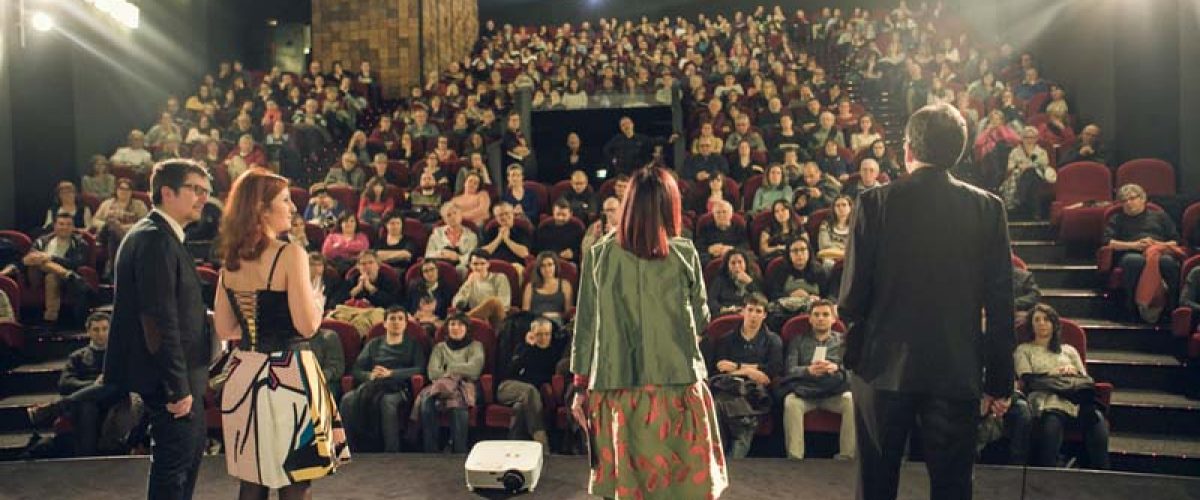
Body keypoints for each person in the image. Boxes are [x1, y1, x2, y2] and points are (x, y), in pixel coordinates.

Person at [838, 103, 1014, 500]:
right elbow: (1002, 304)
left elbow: (850, 300)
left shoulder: (873, 203)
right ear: (960, 151)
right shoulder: (988, 208)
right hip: (956, 368)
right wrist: (1000, 381)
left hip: (882, 368)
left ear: (908, 150)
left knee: (876, 487)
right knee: (952, 488)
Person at [570, 165, 727, 499]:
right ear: (669, 206)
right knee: (681, 488)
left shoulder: (598, 255)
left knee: (629, 489)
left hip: (617, 389)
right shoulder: (684, 254)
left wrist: (580, 387)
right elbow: (700, 320)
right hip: (677, 384)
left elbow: (585, 325)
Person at [211, 168, 348, 498]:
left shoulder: (230, 260)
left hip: (244, 374)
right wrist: (316, 299)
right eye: (285, 200)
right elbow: (307, 326)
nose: (292, 208)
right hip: (288, 375)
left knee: (252, 480)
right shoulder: (290, 254)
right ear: (261, 208)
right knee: (295, 480)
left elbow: (226, 328)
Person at [103, 160, 213, 500]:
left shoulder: (157, 235)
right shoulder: (155, 240)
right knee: (174, 472)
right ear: (167, 192)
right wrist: (178, 387)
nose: (203, 199)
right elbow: (158, 321)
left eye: (206, 192)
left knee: (180, 466)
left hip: (174, 376)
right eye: (195, 189)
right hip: (172, 382)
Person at [26, 312, 135, 456]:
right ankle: (86, 457)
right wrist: (93, 385)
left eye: (104, 329)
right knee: (87, 404)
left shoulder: (120, 355)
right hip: (87, 401)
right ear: (88, 331)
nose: (101, 333)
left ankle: (54, 408)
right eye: (96, 329)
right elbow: (65, 383)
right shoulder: (78, 356)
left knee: (112, 385)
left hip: (114, 398)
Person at [1015, 304, 1110, 469]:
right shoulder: (1024, 350)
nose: (1042, 323)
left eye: (1046, 319)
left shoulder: (1069, 350)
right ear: (1031, 325)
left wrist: (1072, 370)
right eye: (1037, 320)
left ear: (1054, 324)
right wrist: (1054, 372)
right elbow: (1027, 379)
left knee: (1098, 421)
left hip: (1074, 399)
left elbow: (1085, 379)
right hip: (1046, 400)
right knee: (1052, 424)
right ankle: (1046, 477)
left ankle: (1102, 476)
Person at [341, 307, 426, 453]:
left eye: (400, 319)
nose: (396, 322)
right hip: (373, 384)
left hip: (399, 387)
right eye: (392, 319)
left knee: (387, 402)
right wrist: (370, 376)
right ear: (385, 324)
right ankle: (352, 448)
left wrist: (391, 373)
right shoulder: (374, 344)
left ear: (406, 324)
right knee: (347, 399)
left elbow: (419, 369)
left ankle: (391, 451)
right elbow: (356, 369)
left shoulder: (413, 344)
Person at [707, 294, 783, 458]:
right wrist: (751, 371)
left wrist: (737, 367)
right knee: (722, 405)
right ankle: (726, 459)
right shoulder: (726, 339)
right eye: (750, 310)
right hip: (729, 388)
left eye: (758, 311)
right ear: (743, 312)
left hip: (756, 393)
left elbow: (771, 372)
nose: (754, 315)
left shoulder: (773, 340)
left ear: (764, 315)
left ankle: (731, 462)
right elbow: (720, 368)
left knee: (738, 412)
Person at [779, 299, 855, 460]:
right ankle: (795, 456)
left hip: (833, 392)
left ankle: (847, 456)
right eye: (817, 315)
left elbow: (852, 372)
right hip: (806, 392)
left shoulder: (843, 342)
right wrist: (808, 370)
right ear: (810, 319)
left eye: (825, 314)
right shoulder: (798, 340)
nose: (821, 318)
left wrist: (836, 368)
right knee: (791, 402)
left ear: (834, 319)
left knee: (851, 401)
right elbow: (790, 370)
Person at [1103, 184, 1182, 323]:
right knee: (1134, 261)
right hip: (1130, 253)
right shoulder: (1117, 219)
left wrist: (1157, 245)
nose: (1128, 203)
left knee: (1167, 263)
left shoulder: (1160, 216)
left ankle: (1171, 307)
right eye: (1124, 200)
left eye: (1132, 198)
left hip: (1158, 252)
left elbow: (1176, 241)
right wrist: (1135, 245)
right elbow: (1108, 242)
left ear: (1143, 199)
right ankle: (1132, 307)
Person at [416, 313, 484, 453]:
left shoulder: (476, 346)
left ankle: (459, 451)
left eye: (460, 324)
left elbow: (474, 370)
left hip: (466, 385)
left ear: (467, 328)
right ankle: (431, 451)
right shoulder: (439, 347)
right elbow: (433, 373)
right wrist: (456, 371)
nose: (456, 328)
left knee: (457, 402)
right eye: (452, 324)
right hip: (440, 385)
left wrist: (449, 368)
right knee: (427, 401)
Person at [496, 316, 562, 452]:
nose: (543, 338)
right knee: (529, 391)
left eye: (547, 334)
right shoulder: (523, 348)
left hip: (529, 397)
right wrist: (527, 347)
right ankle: (542, 444)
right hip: (508, 387)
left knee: (521, 407)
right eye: (539, 334)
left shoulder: (554, 353)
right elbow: (509, 372)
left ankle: (512, 448)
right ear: (532, 334)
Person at [24, 213, 90, 324]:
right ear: (55, 226)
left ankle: (50, 319)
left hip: (61, 281)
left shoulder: (80, 243)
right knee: (36, 260)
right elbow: (29, 259)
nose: (64, 227)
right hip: (36, 276)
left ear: (73, 227)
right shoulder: (42, 241)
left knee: (51, 277)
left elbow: (76, 263)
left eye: (68, 224)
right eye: (61, 224)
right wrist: (42, 259)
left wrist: (51, 258)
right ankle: (67, 274)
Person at [999, 126, 1055, 220]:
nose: (1029, 140)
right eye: (1026, 137)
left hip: (1038, 175)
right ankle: (1036, 213)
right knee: (1032, 181)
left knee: (1031, 172)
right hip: (1019, 177)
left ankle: (1019, 198)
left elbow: (1044, 165)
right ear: (1022, 138)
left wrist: (1029, 166)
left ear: (1036, 139)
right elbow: (1009, 167)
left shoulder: (1041, 152)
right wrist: (1019, 167)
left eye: (1032, 137)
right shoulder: (1015, 151)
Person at [452, 250, 511, 330]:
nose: (479, 267)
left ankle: (461, 320)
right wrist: (468, 284)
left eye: (482, 264)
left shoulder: (500, 278)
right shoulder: (469, 281)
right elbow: (457, 304)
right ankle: (462, 321)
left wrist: (486, 310)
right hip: (477, 320)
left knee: (493, 302)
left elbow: (504, 305)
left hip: (497, 318)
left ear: (488, 264)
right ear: (470, 265)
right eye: (475, 264)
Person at [707, 249, 765, 316]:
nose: (737, 266)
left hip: (750, 314)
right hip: (726, 314)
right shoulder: (720, 280)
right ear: (727, 265)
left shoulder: (754, 278)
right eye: (733, 263)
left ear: (745, 263)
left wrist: (750, 283)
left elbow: (762, 299)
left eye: (740, 262)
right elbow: (712, 300)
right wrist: (723, 309)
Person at [479, 202, 532, 274]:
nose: (504, 217)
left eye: (507, 213)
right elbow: (481, 254)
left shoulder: (522, 229)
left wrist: (507, 240)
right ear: (496, 218)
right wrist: (499, 238)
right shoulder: (490, 230)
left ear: (513, 214)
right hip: (492, 266)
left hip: (515, 266)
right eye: (500, 215)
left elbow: (524, 253)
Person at [425, 202, 478, 272]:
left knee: (461, 269)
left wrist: (457, 257)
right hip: (439, 264)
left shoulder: (471, 236)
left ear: (460, 215)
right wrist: (442, 253)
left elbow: (472, 256)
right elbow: (428, 254)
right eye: (448, 215)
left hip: (460, 265)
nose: (453, 217)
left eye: (455, 213)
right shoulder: (436, 234)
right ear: (444, 219)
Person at [695, 200, 749, 266]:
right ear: (714, 215)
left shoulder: (739, 227)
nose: (721, 215)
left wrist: (732, 250)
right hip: (712, 258)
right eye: (718, 213)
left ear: (731, 214)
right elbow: (699, 246)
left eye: (724, 212)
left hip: (734, 257)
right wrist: (709, 250)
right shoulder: (706, 228)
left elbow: (745, 245)